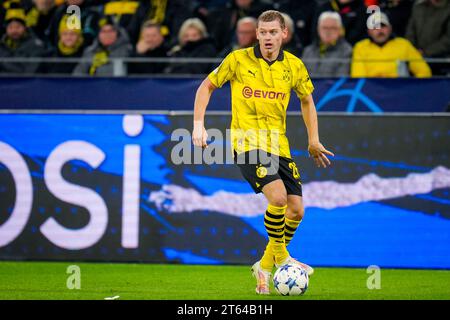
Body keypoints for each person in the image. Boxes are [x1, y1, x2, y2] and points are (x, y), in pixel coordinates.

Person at [192, 10, 334, 295]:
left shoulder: (293, 66)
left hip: (278, 145)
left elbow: (307, 101)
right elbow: (206, 87)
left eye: (273, 33)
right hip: (247, 144)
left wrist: (313, 140)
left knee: (296, 211)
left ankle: (265, 265)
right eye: (263, 32)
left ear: (284, 34)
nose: (267, 38)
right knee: (279, 197)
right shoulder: (238, 60)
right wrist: (198, 126)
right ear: (256, 34)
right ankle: (283, 259)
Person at [352, 12, 432, 78]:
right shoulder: (360, 47)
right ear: (369, 31)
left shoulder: (403, 44)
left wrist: (412, 88)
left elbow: (424, 72)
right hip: (370, 93)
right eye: (375, 27)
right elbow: (358, 78)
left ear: (390, 28)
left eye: (383, 26)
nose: (379, 30)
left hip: (399, 90)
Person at [0, 3, 47, 74]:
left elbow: (31, 71)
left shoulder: (35, 46)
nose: (14, 30)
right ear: (6, 29)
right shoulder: (1, 46)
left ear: (25, 28)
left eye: (18, 27)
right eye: (11, 27)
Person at [406, 0, 450, 75]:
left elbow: (448, 39)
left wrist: (426, 52)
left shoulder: (447, 8)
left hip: (440, 61)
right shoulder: (418, 6)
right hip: (415, 58)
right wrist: (413, 50)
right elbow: (410, 31)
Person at [302, 11, 352, 77]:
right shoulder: (308, 51)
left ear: (340, 30)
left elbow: (341, 78)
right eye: (324, 28)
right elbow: (301, 78)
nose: (328, 32)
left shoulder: (347, 51)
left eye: (333, 28)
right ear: (318, 29)